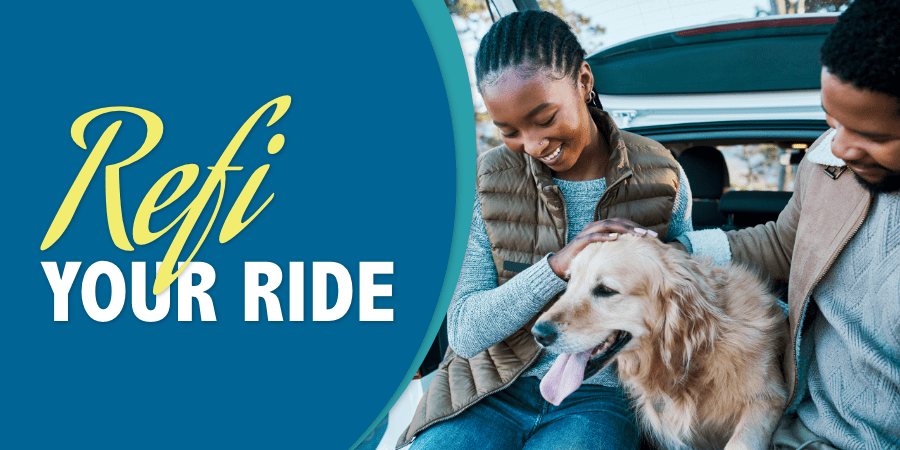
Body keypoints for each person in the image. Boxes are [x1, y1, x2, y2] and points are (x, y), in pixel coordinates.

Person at [398, 10, 694, 450]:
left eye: (545, 117)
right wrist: (556, 267)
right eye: (510, 131)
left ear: (584, 81)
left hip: (600, 396)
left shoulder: (661, 177)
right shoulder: (489, 181)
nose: (534, 145)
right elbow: (464, 331)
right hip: (486, 391)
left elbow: (682, 305)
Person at [676, 1, 900, 448]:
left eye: (874, 137)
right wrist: (674, 251)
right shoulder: (826, 163)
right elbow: (784, 243)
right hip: (795, 428)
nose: (841, 147)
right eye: (832, 121)